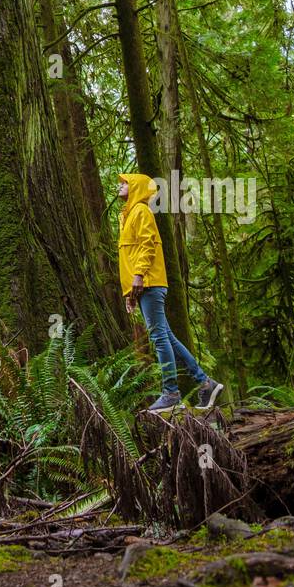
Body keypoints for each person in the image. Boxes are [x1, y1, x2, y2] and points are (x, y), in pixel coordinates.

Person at [117, 172, 223, 414]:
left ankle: (171, 392)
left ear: (136, 187)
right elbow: (130, 257)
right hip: (143, 285)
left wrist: (139, 276)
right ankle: (205, 383)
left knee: (159, 338)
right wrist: (129, 293)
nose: (120, 186)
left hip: (150, 283)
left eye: (125, 183)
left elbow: (147, 245)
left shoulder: (141, 211)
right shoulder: (129, 215)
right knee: (167, 337)